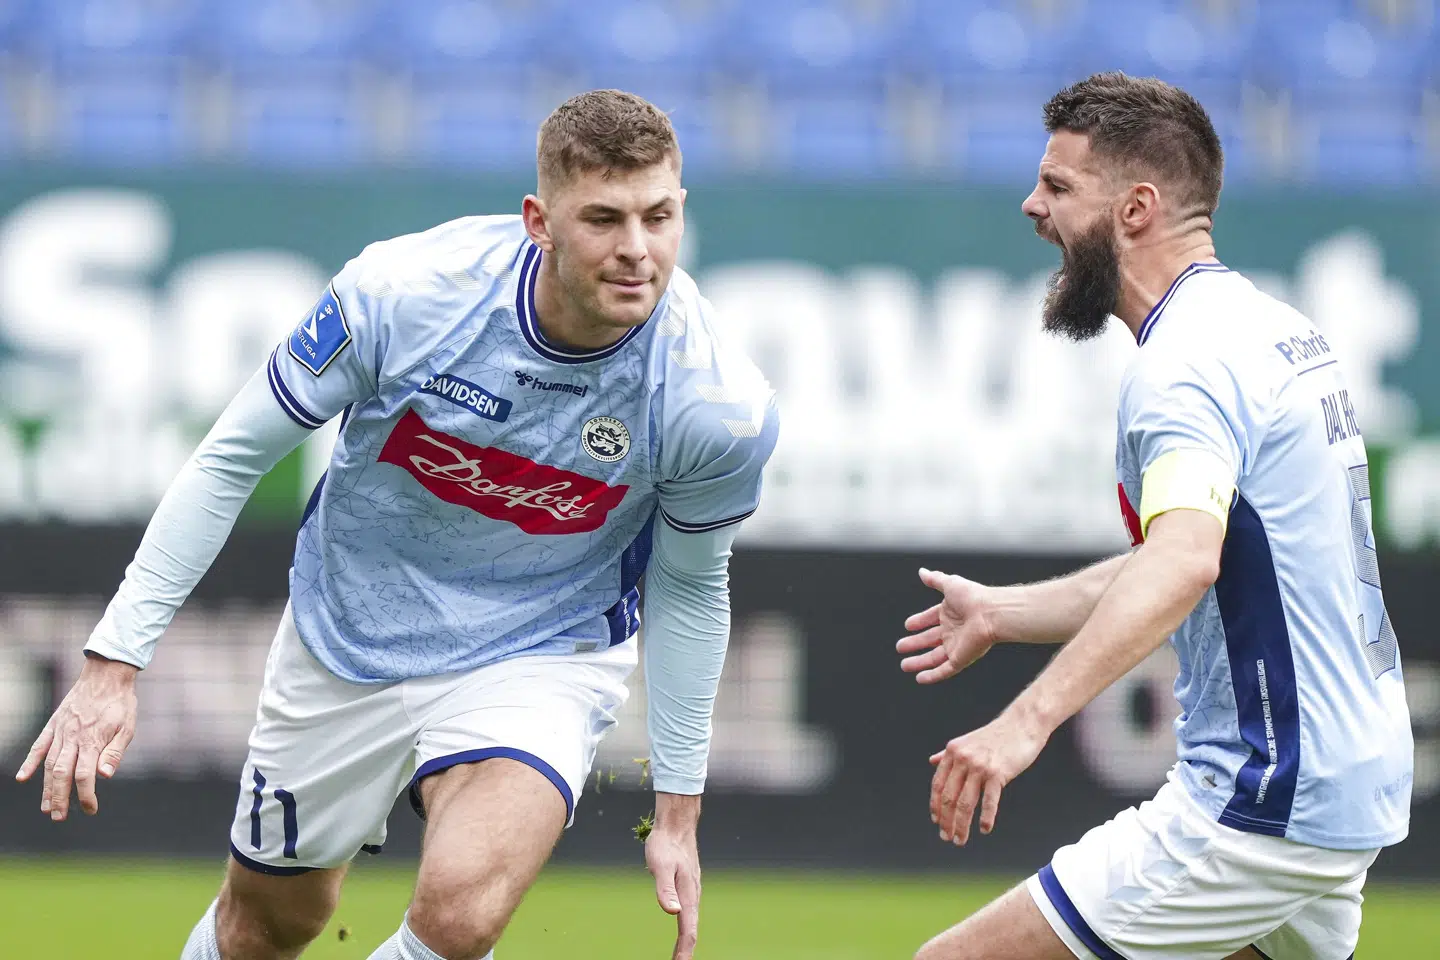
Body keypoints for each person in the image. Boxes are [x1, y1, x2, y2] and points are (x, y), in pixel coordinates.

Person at [16, 89, 779, 960]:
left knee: (459, 917)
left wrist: (677, 811)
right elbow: (230, 458)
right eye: (603, 219)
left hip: (541, 648)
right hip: (348, 633)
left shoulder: (717, 404)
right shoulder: (405, 294)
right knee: (267, 926)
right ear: (539, 221)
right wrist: (115, 661)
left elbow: (687, 587)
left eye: (660, 216)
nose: (636, 250)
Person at [895, 72, 1412, 960]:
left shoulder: (1182, 364)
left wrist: (1023, 725)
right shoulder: (1268, 328)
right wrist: (1004, 612)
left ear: (1135, 208)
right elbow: (1213, 549)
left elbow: (1183, 562)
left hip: (1259, 794)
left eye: (1058, 186)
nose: (1031, 206)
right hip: (1347, 781)